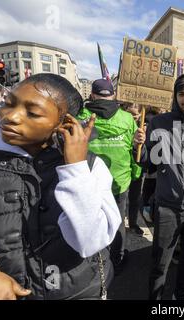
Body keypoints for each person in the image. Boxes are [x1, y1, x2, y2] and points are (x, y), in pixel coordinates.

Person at [0, 73, 120, 300]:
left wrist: (75, 170)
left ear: (63, 123)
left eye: (32, 113)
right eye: (8, 104)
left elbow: (89, 242)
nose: (11, 117)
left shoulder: (91, 167)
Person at [133, 74, 184, 300]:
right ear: (175, 96)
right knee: (160, 263)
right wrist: (139, 147)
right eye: (182, 94)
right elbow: (148, 163)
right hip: (167, 207)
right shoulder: (158, 122)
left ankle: (181, 294)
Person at [77, 79, 141, 271]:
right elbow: (134, 148)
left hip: (89, 181)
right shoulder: (127, 118)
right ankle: (117, 258)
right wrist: (137, 143)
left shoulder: (81, 116)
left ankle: (93, 262)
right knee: (117, 220)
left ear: (92, 95)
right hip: (119, 181)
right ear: (113, 95)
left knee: (89, 220)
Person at [122, 102, 145, 236]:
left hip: (136, 168)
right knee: (121, 199)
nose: (133, 118)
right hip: (122, 168)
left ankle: (133, 223)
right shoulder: (120, 124)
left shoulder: (143, 126)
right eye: (130, 114)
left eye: (135, 116)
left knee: (135, 198)